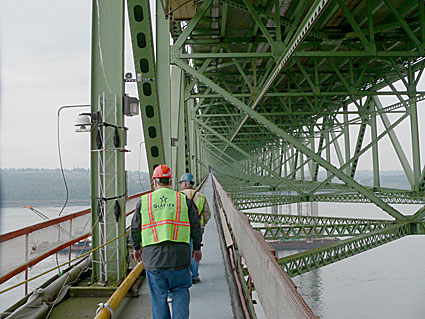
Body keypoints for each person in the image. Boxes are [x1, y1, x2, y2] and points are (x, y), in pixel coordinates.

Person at [130, 165, 202, 319]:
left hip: (153, 259)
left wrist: (136, 248)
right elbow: (196, 225)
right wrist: (196, 248)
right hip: (179, 257)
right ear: (170, 181)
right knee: (181, 291)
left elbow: (135, 228)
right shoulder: (183, 199)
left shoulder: (145, 201)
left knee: (158, 296)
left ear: (154, 182)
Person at [178, 173, 211, 284]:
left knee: (183, 251)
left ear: (185, 183)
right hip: (197, 229)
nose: (181, 185)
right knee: (195, 251)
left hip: (183, 229)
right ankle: (195, 276)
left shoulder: (179, 196)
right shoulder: (201, 196)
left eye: (182, 183)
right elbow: (208, 214)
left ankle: (185, 275)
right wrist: (202, 223)